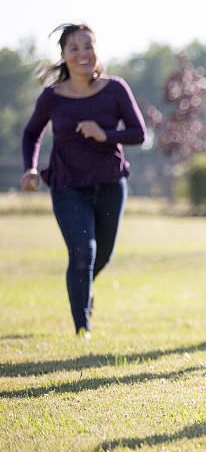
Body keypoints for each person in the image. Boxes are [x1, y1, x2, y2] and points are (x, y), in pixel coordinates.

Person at [20, 23, 147, 339]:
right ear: (64, 55)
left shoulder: (115, 88)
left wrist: (106, 134)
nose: (82, 53)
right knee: (82, 251)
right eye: (74, 48)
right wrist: (30, 168)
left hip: (110, 184)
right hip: (68, 186)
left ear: (96, 50)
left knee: (102, 255)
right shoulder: (52, 97)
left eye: (88, 46)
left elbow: (139, 133)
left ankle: (84, 292)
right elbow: (31, 133)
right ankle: (82, 328)